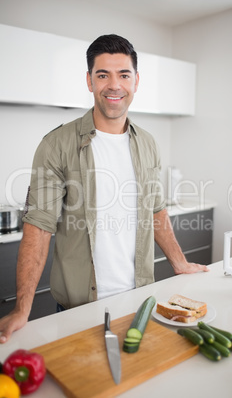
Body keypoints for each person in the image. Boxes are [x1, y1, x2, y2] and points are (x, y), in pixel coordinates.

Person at [0, 34, 208, 344]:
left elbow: (156, 209)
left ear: (136, 81)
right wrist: (23, 308)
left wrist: (179, 263)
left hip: (139, 300)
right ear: (89, 81)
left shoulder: (148, 143)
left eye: (124, 74)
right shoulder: (57, 144)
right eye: (103, 75)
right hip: (77, 308)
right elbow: (38, 226)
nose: (114, 85)